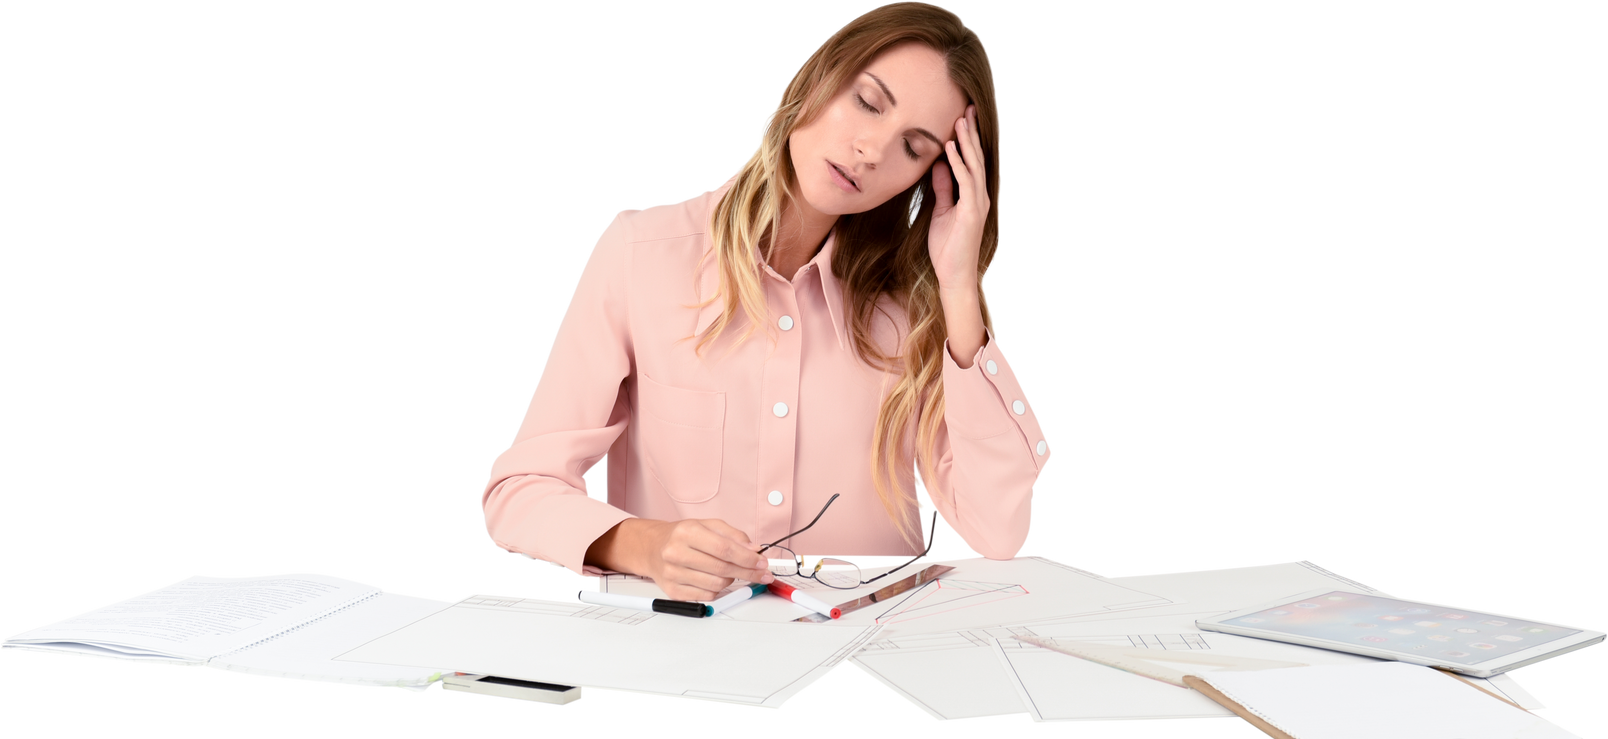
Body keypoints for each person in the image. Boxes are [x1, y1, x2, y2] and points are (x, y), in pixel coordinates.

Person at [479, 1, 1049, 601]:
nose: (872, 150)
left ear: (932, 177)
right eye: (867, 102)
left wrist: (960, 288)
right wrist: (643, 543)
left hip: (863, 668)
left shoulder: (918, 314)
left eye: (913, 146)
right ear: (816, 80)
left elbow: (997, 531)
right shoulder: (642, 255)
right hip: (684, 661)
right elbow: (520, 490)